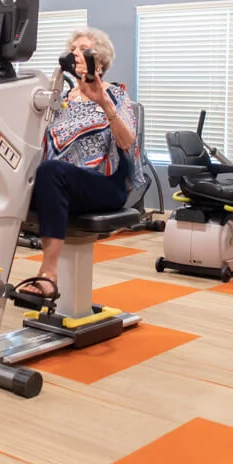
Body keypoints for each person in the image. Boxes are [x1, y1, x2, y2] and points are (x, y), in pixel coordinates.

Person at [25, 27, 138, 298]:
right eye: (72, 49)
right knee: (2, 180)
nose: (75, 53)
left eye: (83, 50)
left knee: (51, 171)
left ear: (99, 61)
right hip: (59, 182)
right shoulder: (61, 99)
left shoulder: (116, 95)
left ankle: (48, 275)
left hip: (104, 183)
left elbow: (126, 142)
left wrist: (103, 102)